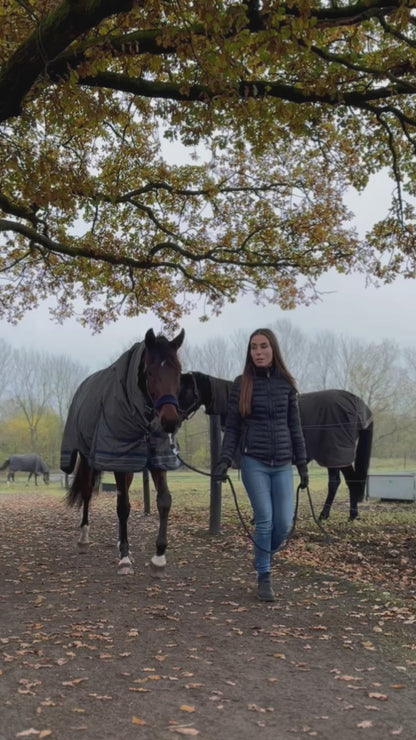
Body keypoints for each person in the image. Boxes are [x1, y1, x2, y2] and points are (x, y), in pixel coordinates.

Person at [214, 328, 309, 602]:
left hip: (282, 464)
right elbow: (231, 428)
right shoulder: (241, 384)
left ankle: (262, 555)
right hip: (253, 461)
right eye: (254, 347)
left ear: (273, 349)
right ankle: (264, 576)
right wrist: (223, 460)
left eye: (263, 346)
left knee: (284, 523)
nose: (258, 352)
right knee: (265, 520)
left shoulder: (287, 385)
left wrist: (302, 464)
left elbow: (295, 426)